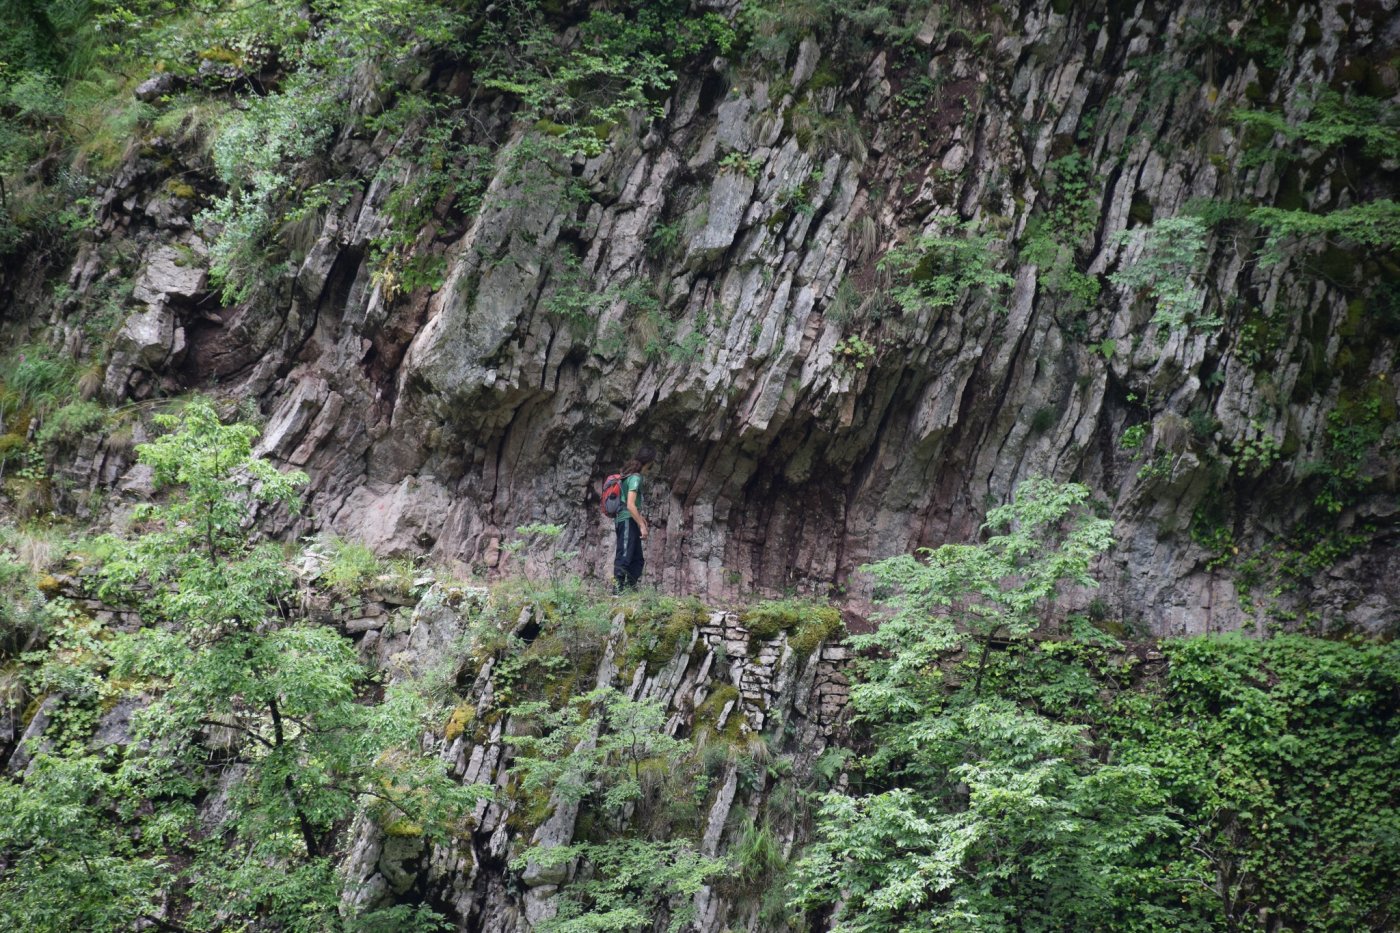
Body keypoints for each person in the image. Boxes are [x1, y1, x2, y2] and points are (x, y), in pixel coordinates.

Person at [613, 444, 656, 592]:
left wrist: (641, 519)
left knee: (637, 559)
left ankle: (630, 590)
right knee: (624, 555)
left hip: (629, 519)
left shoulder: (628, 476)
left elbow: (629, 503)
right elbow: (630, 505)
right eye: (650, 465)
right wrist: (642, 526)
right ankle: (617, 591)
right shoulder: (635, 478)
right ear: (648, 463)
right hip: (626, 519)